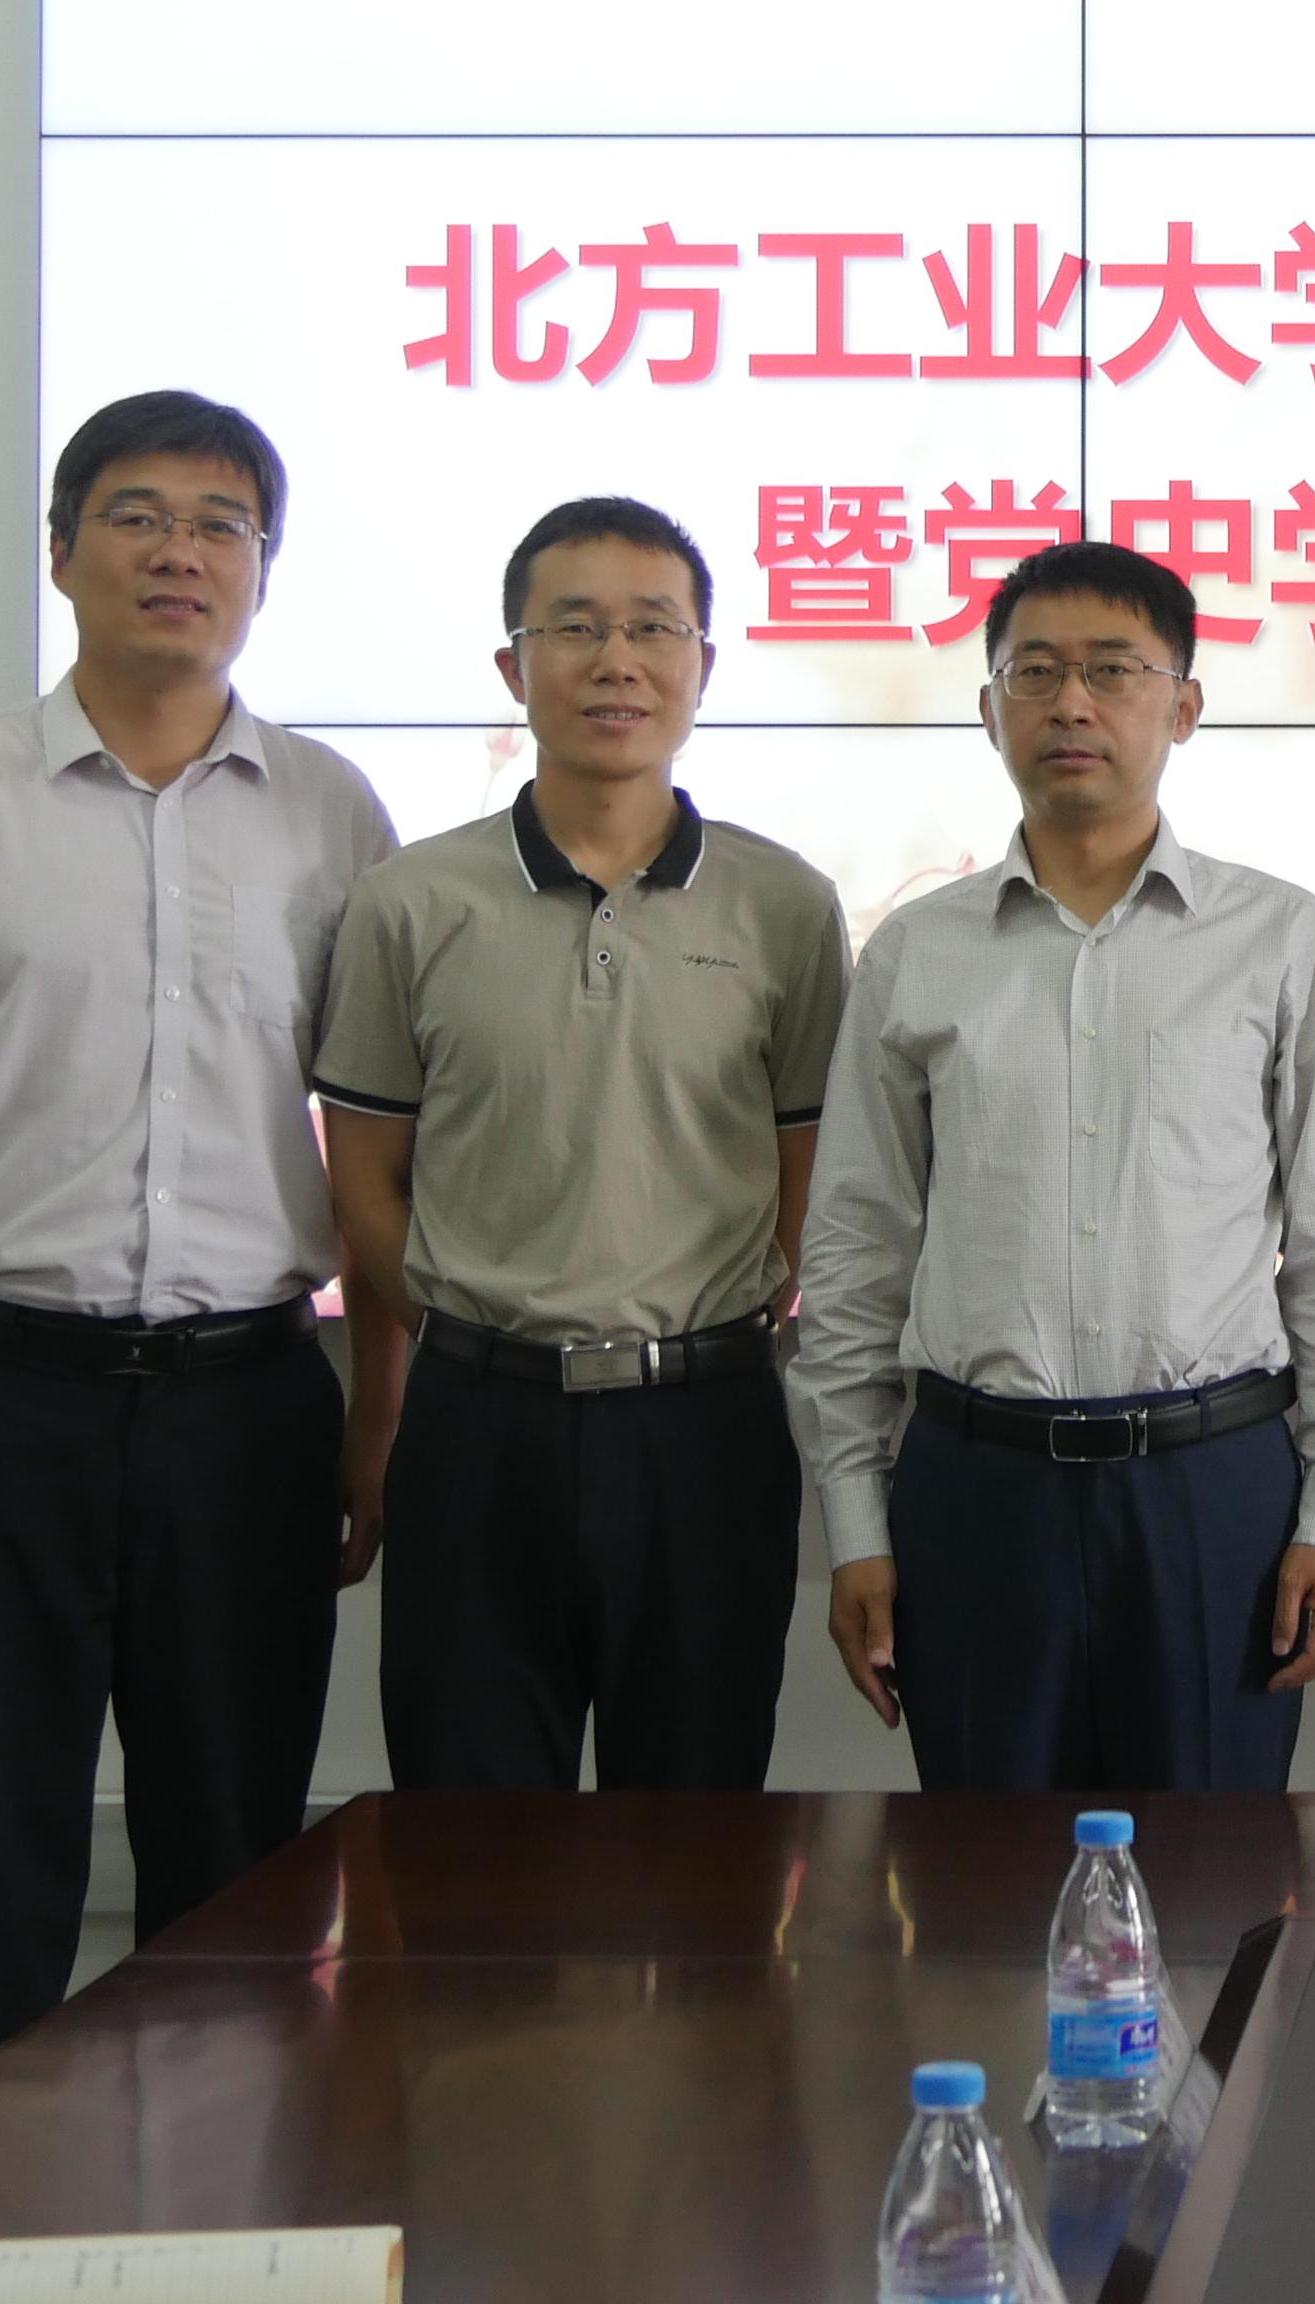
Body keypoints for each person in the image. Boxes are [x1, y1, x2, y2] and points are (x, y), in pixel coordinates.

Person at [0, 389, 393, 2095]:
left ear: (263, 570)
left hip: (246, 1405)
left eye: (221, 524)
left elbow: (373, 1148)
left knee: (235, 1888)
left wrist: (375, 1410)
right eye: (137, 514)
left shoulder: (333, 815)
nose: (179, 552)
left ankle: (223, 2226)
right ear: (61, 553)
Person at [796, 539, 1315, 1788]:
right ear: (990, 710)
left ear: (1184, 705)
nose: (1072, 703)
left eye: (1114, 670)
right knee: (983, 1883)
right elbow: (855, 1256)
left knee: (1212, 1874)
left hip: (1212, 1491)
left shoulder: (1277, 937)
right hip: (977, 1491)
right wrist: (856, 1525)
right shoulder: (916, 953)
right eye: (1036, 672)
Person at [313, 495, 846, 1791]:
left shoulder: (785, 905)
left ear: (704, 665)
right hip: (477, 1425)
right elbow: (364, 1176)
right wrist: (467, 1330)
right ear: (515, 666)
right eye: (577, 628)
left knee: (697, 1835)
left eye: (655, 628)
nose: (618, 661)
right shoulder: (411, 901)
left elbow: (811, 1180)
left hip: (707, 1426)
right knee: (471, 1842)